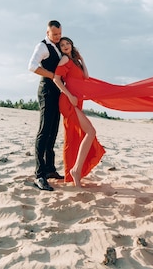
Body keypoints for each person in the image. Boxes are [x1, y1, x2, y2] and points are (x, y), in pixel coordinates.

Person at [52, 37, 105, 187]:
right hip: (68, 101)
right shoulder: (64, 60)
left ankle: (75, 171)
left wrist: (81, 59)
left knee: (74, 136)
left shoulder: (75, 61)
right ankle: (75, 170)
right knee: (90, 131)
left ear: (72, 45)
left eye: (67, 43)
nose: (65, 46)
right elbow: (56, 79)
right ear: (61, 49)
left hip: (76, 101)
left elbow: (86, 77)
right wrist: (70, 96)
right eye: (62, 45)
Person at [27, 20, 65, 191]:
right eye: (54, 34)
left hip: (57, 93)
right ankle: (39, 174)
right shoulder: (42, 47)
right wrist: (51, 75)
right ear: (47, 32)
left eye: (59, 34)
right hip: (46, 92)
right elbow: (32, 66)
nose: (57, 37)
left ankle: (50, 169)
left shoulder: (59, 46)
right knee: (43, 132)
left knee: (53, 131)